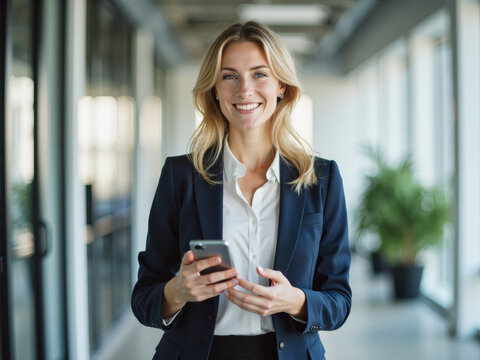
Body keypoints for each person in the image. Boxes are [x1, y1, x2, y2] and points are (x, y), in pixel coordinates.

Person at [131, 21, 351, 360]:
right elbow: (144, 297)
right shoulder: (180, 176)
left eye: (260, 74)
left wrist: (297, 301)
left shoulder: (321, 179)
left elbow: (339, 300)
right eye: (229, 75)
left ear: (281, 86)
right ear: (215, 90)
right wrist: (178, 290)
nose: (244, 89)